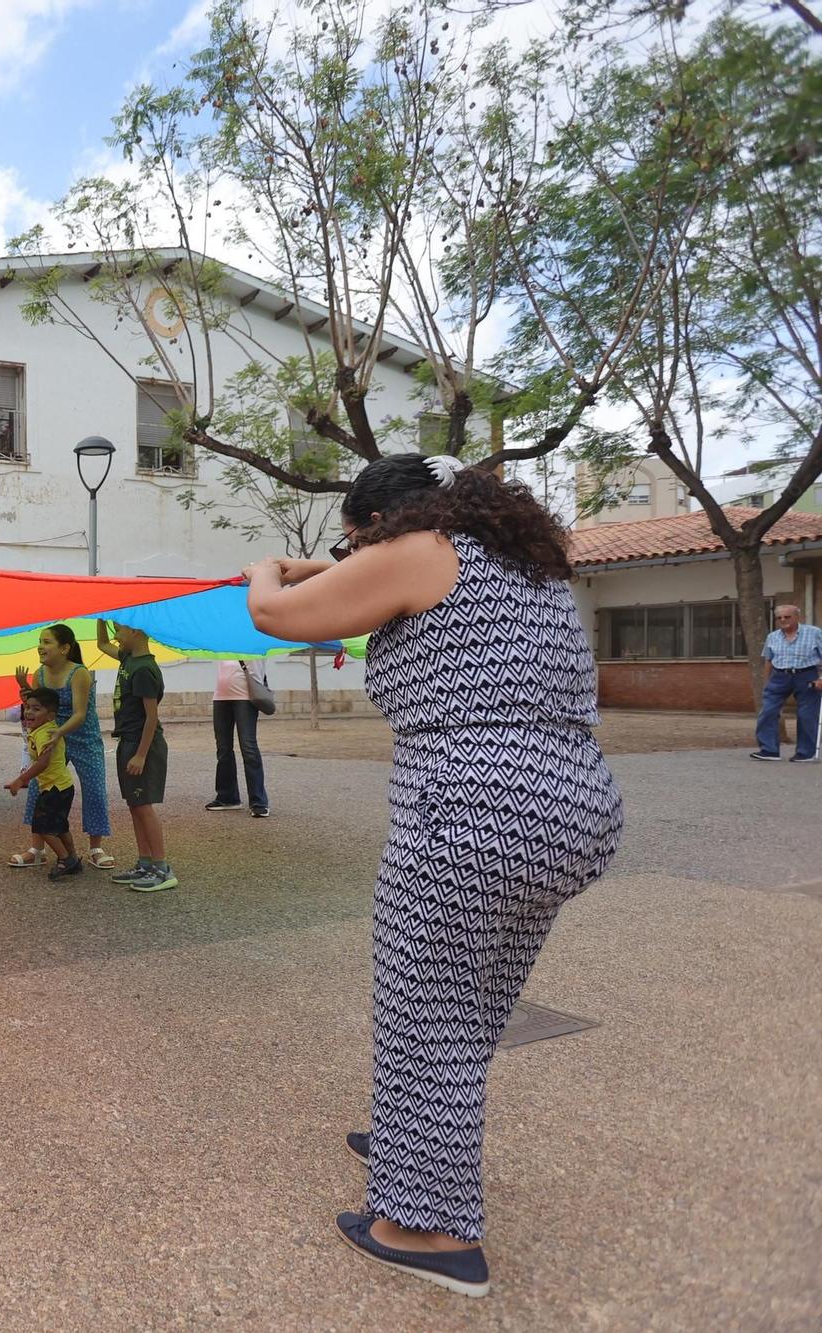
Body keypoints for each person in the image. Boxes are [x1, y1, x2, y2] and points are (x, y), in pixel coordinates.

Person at [245, 453, 624, 1297]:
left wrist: (260, 569)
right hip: (572, 802)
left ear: (386, 522)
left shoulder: (420, 551)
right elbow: (364, 581)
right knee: (474, 998)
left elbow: (274, 610)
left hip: (476, 808)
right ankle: (415, 1136)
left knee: (427, 1003)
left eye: (358, 540)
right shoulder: (516, 562)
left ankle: (427, 1230)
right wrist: (346, 559)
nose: (355, 556)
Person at [11, 624, 114, 869]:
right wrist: (26, 689)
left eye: (47, 642)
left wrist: (59, 732)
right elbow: (40, 706)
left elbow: (79, 713)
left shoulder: (79, 673)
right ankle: (37, 849)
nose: (40, 647)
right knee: (39, 787)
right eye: (40, 641)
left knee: (94, 789)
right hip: (54, 736)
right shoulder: (40, 674)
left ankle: (95, 848)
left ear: (65, 648)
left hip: (82, 736)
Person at [93, 620, 176, 892]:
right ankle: (145, 863)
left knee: (144, 805)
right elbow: (101, 644)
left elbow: (152, 718)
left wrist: (140, 755)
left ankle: (162, 868)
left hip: (144, 745)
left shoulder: (143, 669)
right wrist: (101, 618)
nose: (115, 637)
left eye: (120, 630)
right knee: (134, 804)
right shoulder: (128, 658)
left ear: (136, 632)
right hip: (128, 741)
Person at [5, 688, 81, 881]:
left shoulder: (45, 733)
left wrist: (21, 780)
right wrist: (22, 684)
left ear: (51, 715)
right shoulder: (42, 729)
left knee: (43, 827)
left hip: (54, 789)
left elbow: (42, 762)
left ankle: (65, 860)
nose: (29, 712)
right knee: (60, 827)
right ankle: (72, 858)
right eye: (27, 707)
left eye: (36, 709)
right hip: (61, 787)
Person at [749, 603, 820, 762]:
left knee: (806, 714)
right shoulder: (772, 637)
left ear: (797, 617)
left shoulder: (814, 633)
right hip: (780, 676)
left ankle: (805, 753)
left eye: (787, 617)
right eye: (779, 617)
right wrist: (767, 682)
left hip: (806, 675)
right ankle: (769, 750)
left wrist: (820, 679)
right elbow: (769, 660)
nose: (783, 620)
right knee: (767, 711)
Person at [207, 659, 271, 816]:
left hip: (246, 696)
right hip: (221, 695)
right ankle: (227, 797)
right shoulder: (224, 638)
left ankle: (258, 801)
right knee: (223, 749)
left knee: (248, 747)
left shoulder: (258, 635)